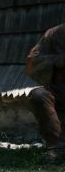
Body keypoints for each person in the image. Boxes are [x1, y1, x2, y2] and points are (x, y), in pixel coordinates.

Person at [26, 23, 65, 162]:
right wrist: (57, 60)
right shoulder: (55, 34)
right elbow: (32, 62)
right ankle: (57, 149)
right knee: (39, 95)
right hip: (60, 91)